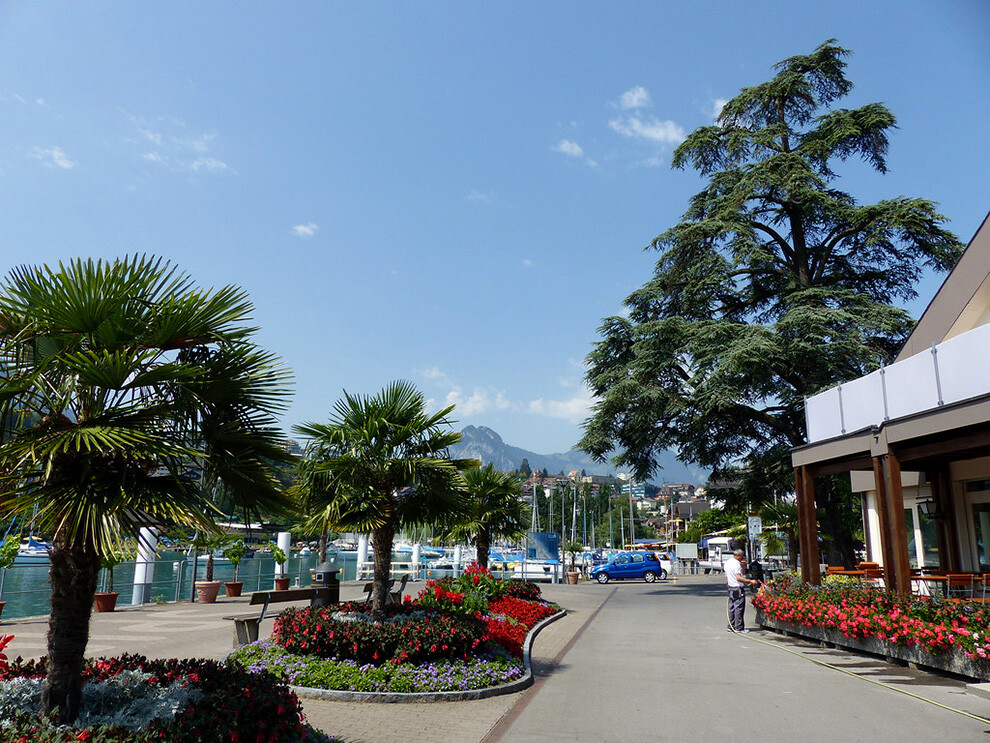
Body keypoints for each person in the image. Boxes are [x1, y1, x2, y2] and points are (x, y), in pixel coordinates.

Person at [725, 548, 759, 632]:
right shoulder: (736, 565)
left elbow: (726, 576)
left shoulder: (728, 563)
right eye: (742, 556)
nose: (743, 558)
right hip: (737, 587)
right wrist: (750, 581)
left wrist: (743, 565)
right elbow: (739, 578)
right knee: (739, 607)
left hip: (731, 587)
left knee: (732, 607)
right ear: (738, 556)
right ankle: (739, 627)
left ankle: (731, 626)